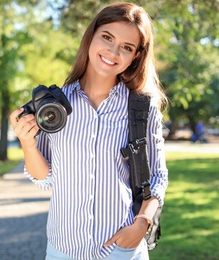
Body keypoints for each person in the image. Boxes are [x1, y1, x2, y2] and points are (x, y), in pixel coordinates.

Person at [10, 2, 168, 260]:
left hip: (122, 251)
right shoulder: (55, 105)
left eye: (126, 47)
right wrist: (27, 143)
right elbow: (45, 179)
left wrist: (142, 224)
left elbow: (158, 176)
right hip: (64, 250)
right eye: (107, 37)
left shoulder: (141, 108)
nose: (113, 51)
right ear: (91, 36)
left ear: (135, 56)